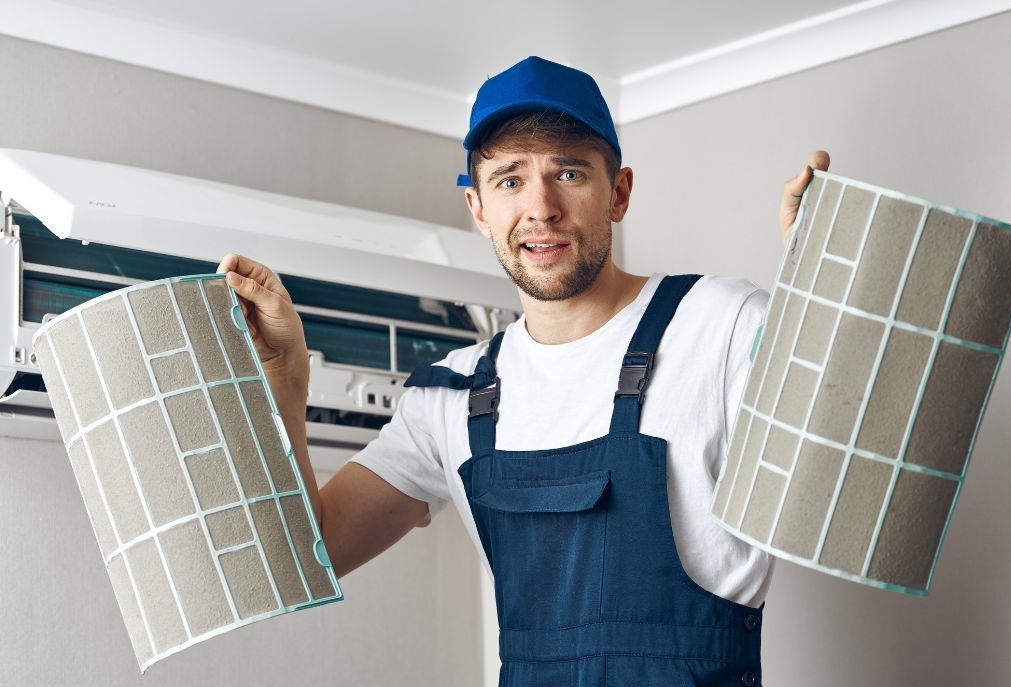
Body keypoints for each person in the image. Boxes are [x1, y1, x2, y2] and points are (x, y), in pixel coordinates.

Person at [218, 55, 829, 687]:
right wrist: (285, 375)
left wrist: (830, 289)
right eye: (510, 180)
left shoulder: (720, 325)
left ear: (619, 193)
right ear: (478, 207)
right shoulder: (449, 397)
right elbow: (304, 558)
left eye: (569, 172)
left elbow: (854, 468)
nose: (541, 207)